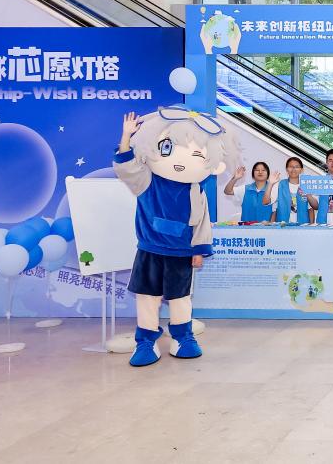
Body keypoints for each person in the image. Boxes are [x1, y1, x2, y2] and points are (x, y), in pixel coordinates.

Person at [113, 108, 238, 366]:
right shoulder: (147, 180)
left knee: (180, 298)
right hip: (150, 249)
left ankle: (182, 337)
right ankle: (146, 341)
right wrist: (126, 137)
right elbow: (126, 167)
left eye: (196, 154)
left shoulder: (196, 189)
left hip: (181, 251)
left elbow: (202, 222)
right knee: (147, 297)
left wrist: (198, 250)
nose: (181, 160)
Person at [265, 156, 311, 225]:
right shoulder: (279, 184)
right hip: (282, 226)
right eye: (291, 166)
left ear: (301, 170)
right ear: (286, 169)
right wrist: (270, 184)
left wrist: (311, 226)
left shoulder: (306, 185)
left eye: (297, 167)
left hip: (302, 226)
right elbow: (265, 202)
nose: (293, 169)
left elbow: (311, 209)